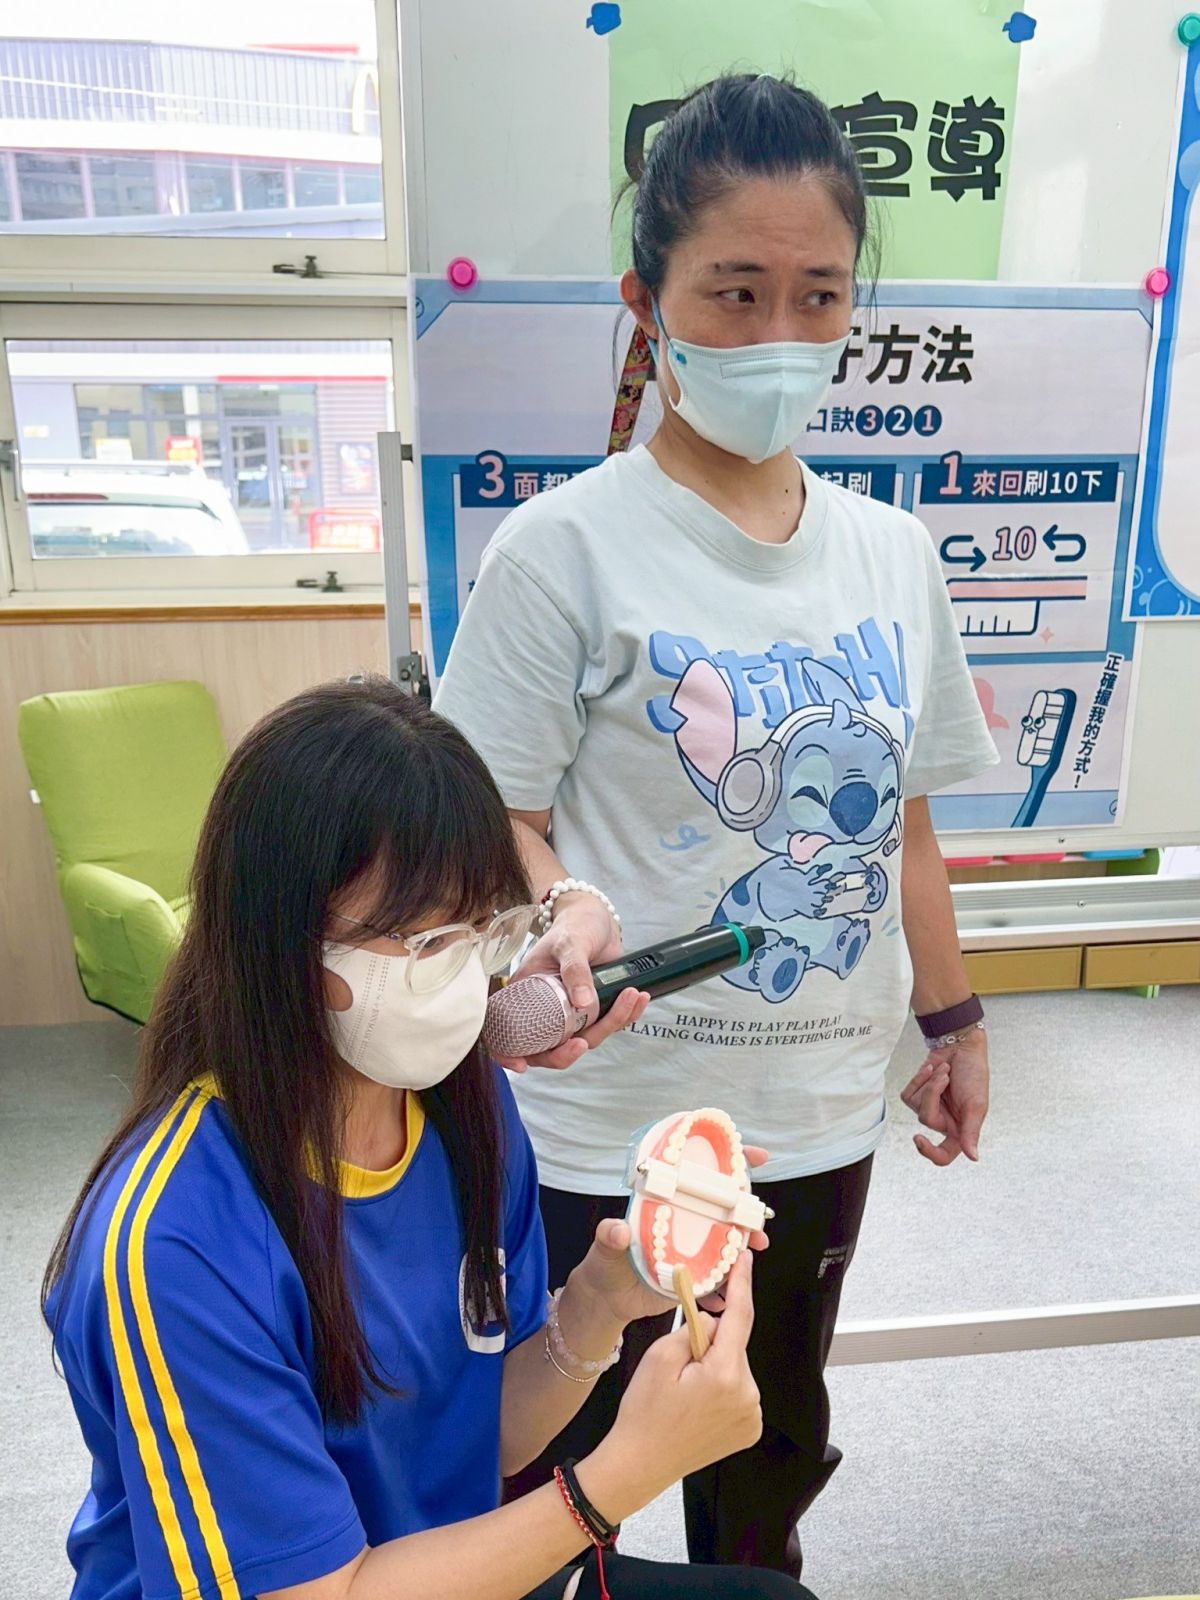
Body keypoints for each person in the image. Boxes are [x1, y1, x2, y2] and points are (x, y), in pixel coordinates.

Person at [434, 73, 1000, 1578]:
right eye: (734, 293)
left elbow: (906, 832)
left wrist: (954, 1021)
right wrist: (561, 910)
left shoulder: (894, 554)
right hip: (605, 1123)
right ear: (650, 304)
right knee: (564, 1473)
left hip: (814, 1107)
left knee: (767, 1448)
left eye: (818, 296)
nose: (778, 335)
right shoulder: (561, 550)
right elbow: (492, 820)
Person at [42, 679, 810, 1600]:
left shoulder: (465, 1106)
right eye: (423, 939)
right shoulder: (175, 1240)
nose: (465, 975)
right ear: (280, 938)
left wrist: (600, 1303)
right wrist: (623, 1475)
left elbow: (491, 1436)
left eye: (484, 927)